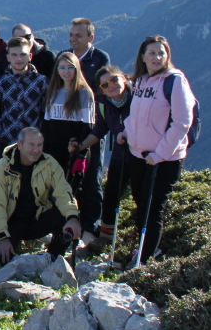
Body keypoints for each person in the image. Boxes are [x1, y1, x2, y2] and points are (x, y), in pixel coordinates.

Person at [121, 35, 195, 266]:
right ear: (142, 56)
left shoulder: (174, 81)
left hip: (164, 159)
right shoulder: (142, 81)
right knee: (141, 203)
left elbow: (183, 121)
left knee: (153, 209)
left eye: (161, 53)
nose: (157, 57)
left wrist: (160, 154)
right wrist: (126, 132)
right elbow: (137, 114)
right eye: (151, 53)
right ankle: (144, 249)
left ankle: (143, 260)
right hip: (138, 154)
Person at [0, 127, 81, 264]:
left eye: (39, 145)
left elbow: (63, 192)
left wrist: (72, 217)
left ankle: (53, 258)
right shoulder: (2, 167)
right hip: (10, 223)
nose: (36, 150)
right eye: (31, 145)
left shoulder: (49, 163)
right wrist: (2, 237)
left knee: (69, 216)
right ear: (20, 145)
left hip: (37, 218)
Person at [71, 65, 132, 253]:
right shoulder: (105, 104)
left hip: (143, 156)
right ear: (100, 90)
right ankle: (106, 238)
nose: (111, 86)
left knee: (142, 198)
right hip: (121, 156)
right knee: (112, 196)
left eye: (114, 80)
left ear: (123, 77)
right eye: (105, 85)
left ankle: (139, 243)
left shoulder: (139, 98)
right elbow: (100, 130)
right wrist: (80, 147)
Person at [64, 17, 112, 237]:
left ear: (90, 38)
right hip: (68, 125)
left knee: (92, 178)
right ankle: (68, 221)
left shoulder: (100, 58)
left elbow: (103, 92)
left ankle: (91, 226)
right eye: (72, 34)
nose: (73, 39)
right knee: (68, 174)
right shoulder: (65, 56)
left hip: (92, 127)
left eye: (78, 35)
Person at [0, 37, 48, 160]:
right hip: (6, 144)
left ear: (30, 56)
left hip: (34, 146)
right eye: (14, 55)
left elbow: (46, 113)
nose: (18, 59)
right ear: (8, 57)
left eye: (22, 55)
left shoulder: (41, 82)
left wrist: (42, 139)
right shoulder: (0, 83)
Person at [42, 52, 95, 173]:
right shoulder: (53, 91)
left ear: (77, 68)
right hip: (53, 152)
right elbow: (46, 124)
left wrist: (81, 152)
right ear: (57, 70)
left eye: (70, 67)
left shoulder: (84, 93)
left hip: (73, 151)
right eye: (62, 67)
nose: (66, 71)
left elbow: (88, 126)